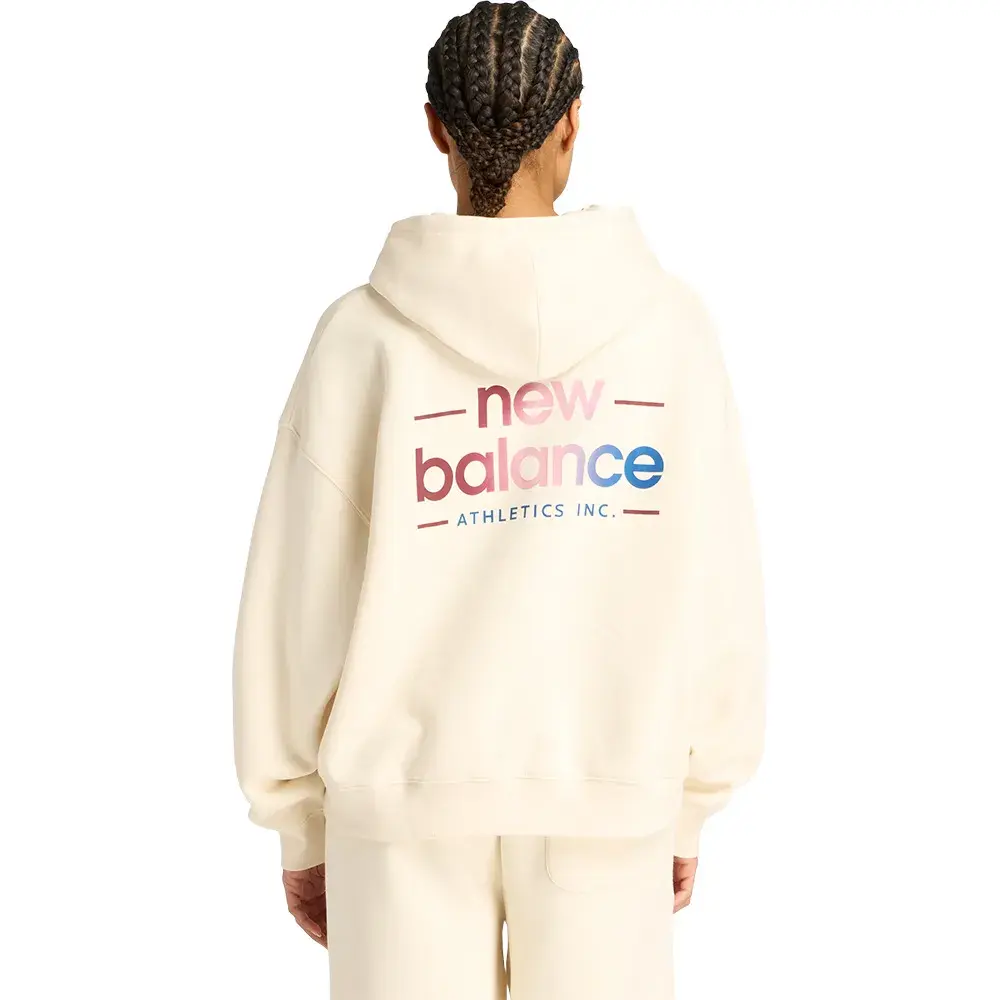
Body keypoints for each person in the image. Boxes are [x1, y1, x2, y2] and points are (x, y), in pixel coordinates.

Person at [232, 3, 767, 998]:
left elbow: (296, 598)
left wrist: (298, 821)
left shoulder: (361, 340)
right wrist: (692, 797)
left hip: (400, 815)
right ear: (573, 122)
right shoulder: (668, 331)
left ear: (434, 125)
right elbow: (718, 579)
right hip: (609, 795)